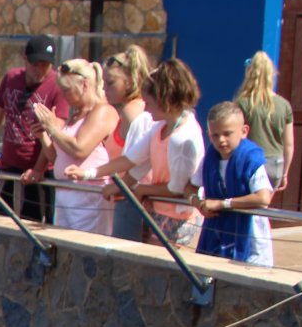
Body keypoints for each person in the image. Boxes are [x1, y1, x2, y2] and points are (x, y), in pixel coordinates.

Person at [67, 59, 204, 248]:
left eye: (149, 103)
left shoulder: (183, 137)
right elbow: (132, 160)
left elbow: (177, 189)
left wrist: (142, 190)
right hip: (159, 214)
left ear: (165, 100)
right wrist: (89, 173)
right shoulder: (159, 127)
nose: (145, 109)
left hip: (180, 221)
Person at [0, 35, 66, 221]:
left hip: (39, 174)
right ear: (25, 60)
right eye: (35, 64)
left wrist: (38, 169)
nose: (39, 70)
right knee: (0, 222)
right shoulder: (11, 78)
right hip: (9, 168)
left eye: (45, 65)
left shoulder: (57, 86)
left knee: (34, 227)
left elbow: (55, 132)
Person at [30, 58, 118, 235]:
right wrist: (43, 136)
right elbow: (58, 158)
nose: (63, 96)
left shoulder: (102, 111)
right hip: (66, 198)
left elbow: (80, 149)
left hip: (87, 200)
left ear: (84, 85)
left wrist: (53, 129)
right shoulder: (75, 116)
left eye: (67, 91)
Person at [191, 101, 274, 266]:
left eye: (227, 134)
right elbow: (190, 188)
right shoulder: (210, 158)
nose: (221, 140)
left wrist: (222, 204)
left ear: (244, 131)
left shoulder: (251, 160)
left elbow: (263, 198)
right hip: (216, 234)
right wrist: (197, 202)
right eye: (215, 135)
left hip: (249, 240)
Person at [102, 47, 153, 240]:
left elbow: (141, 161)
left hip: (130, 199)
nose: (105, 89)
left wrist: (118, 187)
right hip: (127, 197)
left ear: (130, 81)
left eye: (111, 83)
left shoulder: (132, 112)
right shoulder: (136, 109)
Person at [235, 52, 294, 196]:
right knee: (261, 212)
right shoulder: (284, 104)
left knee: (248, 212)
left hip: (250, 162)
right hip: (276, 165)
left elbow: (235, 138)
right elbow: (289, 144)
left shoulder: (242, 103)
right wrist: (285, 173)